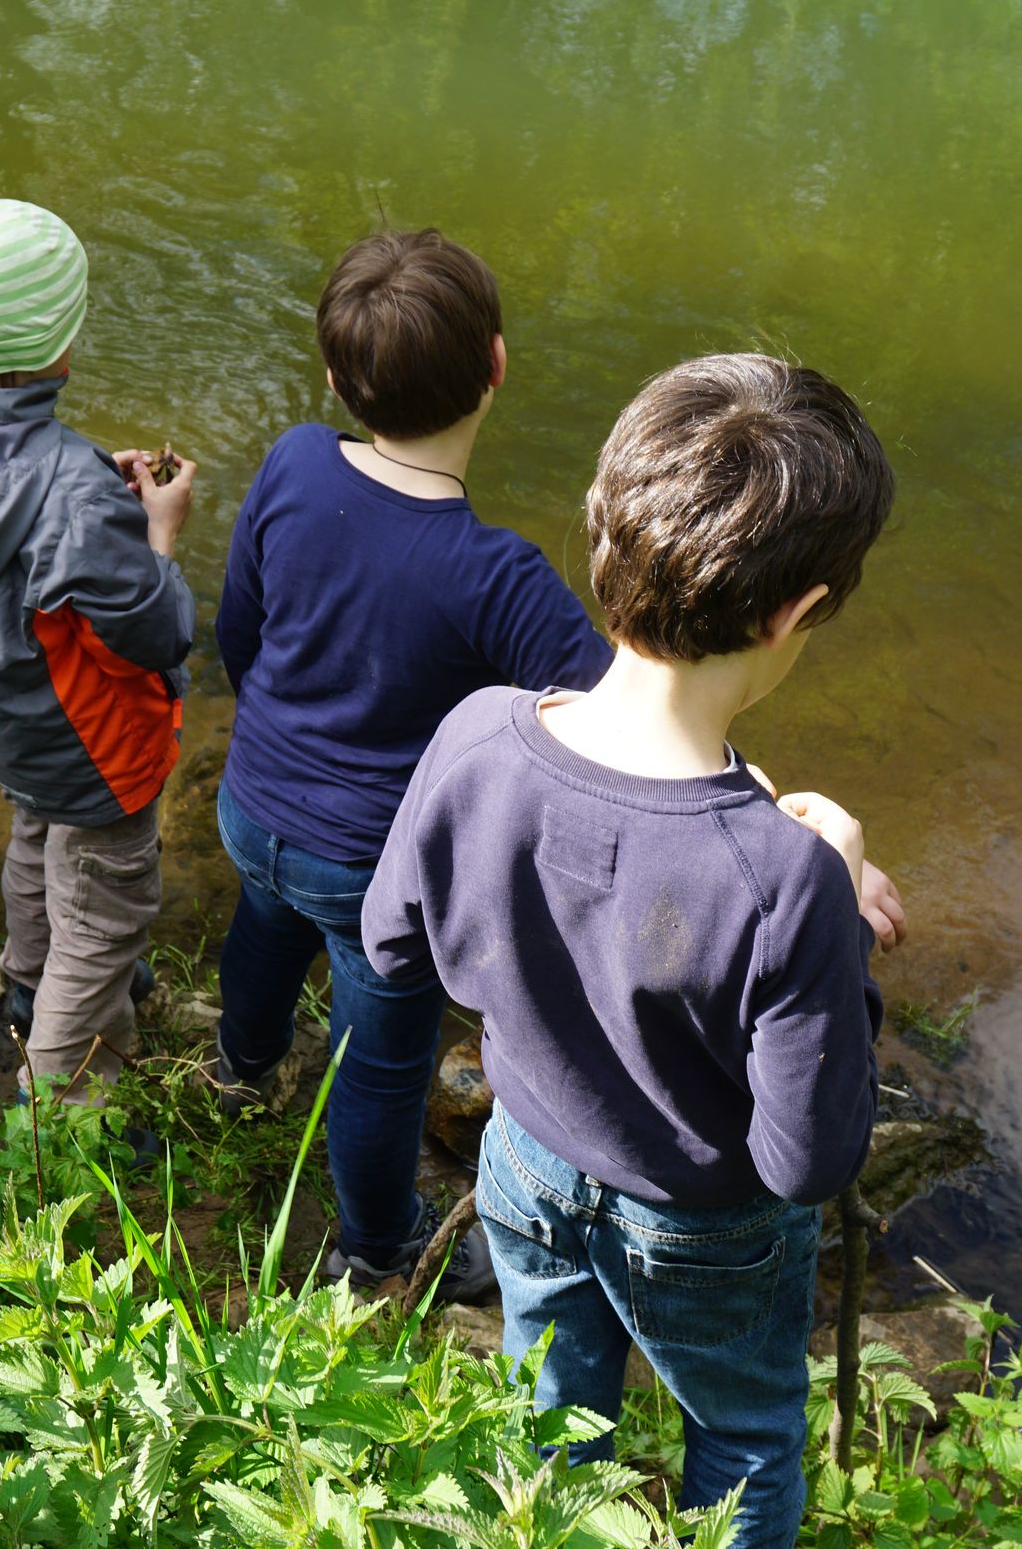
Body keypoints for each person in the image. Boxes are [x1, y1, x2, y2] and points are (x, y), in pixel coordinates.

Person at [361, 352, 905, 1543]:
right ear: (798, 613)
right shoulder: (789, 880)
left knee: (551, 1412)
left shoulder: (476, 736)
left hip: (526, 1167)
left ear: (607, 525)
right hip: (703, 1231)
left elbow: (395, 944)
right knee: (747, 1439)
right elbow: (807, 1157)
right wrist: (837, 905)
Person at [213, 229, 614, 1301]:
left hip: (253, 802)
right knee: (383, 1063)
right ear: (497, 365)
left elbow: (236, 635)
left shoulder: (295, 461)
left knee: (264, 918)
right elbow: (627, 721)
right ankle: (377, 1246)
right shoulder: (497, 575)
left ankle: (238, 1067)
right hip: (373, 868)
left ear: (337, 379)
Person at [0, 198, 195, 1101]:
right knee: (106, 915)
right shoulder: (74, 491)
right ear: (63, 337)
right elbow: (155, 630)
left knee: (35, 836)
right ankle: (54, 1106)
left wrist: (97, 500)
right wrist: (156, 531)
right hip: (96, 753)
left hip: (6, 725)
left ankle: (23, 977)